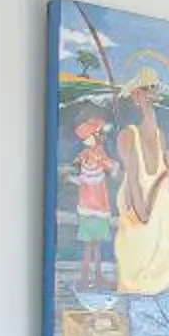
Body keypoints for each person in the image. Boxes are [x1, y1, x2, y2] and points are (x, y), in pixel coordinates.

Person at [111, 78, 169, 297]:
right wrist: (144, 216)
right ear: (136, 96)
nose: (152, 92)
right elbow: (134, 183)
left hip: (163, 222)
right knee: (144, 289)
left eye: (154, 88)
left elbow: (167, 181)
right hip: (140, 225)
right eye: (146, 89)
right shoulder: (128, 136)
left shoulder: (160, 135)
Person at [65, 115, 113, 291]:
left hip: (87, 206)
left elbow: (79, 170)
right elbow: (110, 169)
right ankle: (94, 277)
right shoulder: (98, 154)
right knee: (96, 246)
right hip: (98, 206)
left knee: (90, 246)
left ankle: (88, 278)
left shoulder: (84, 155)